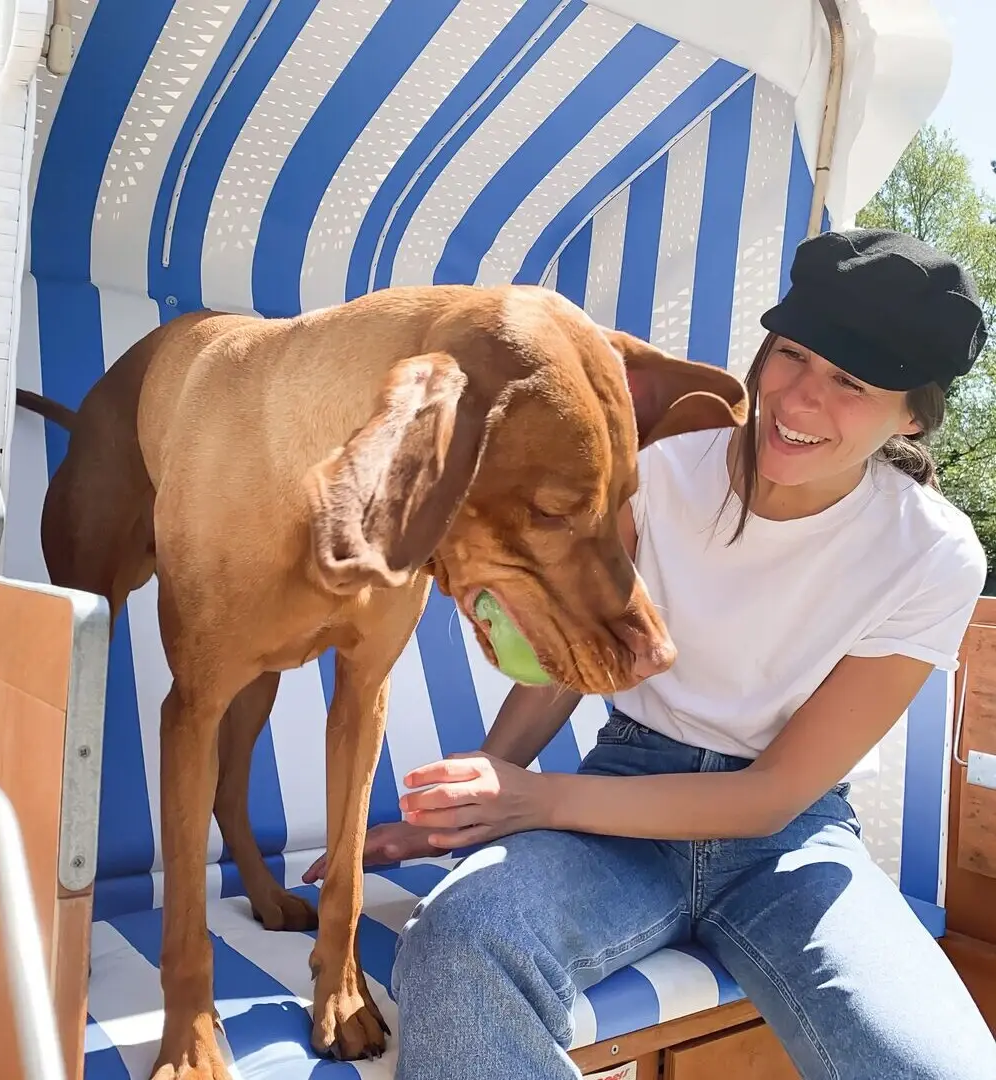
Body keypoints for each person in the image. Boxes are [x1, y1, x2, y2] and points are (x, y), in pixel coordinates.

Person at [303, 229, 996, 1079]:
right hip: (621, 797)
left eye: (850, 382)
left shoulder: (934, 553)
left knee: (940, 1068)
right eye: (792, 355)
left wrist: (534, 799)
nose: (798, 399)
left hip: (791, 843)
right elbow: (575, 663)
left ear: (913, 415)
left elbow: (771, 796)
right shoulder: (660, 468)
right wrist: (463, 801)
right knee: (457, 943)